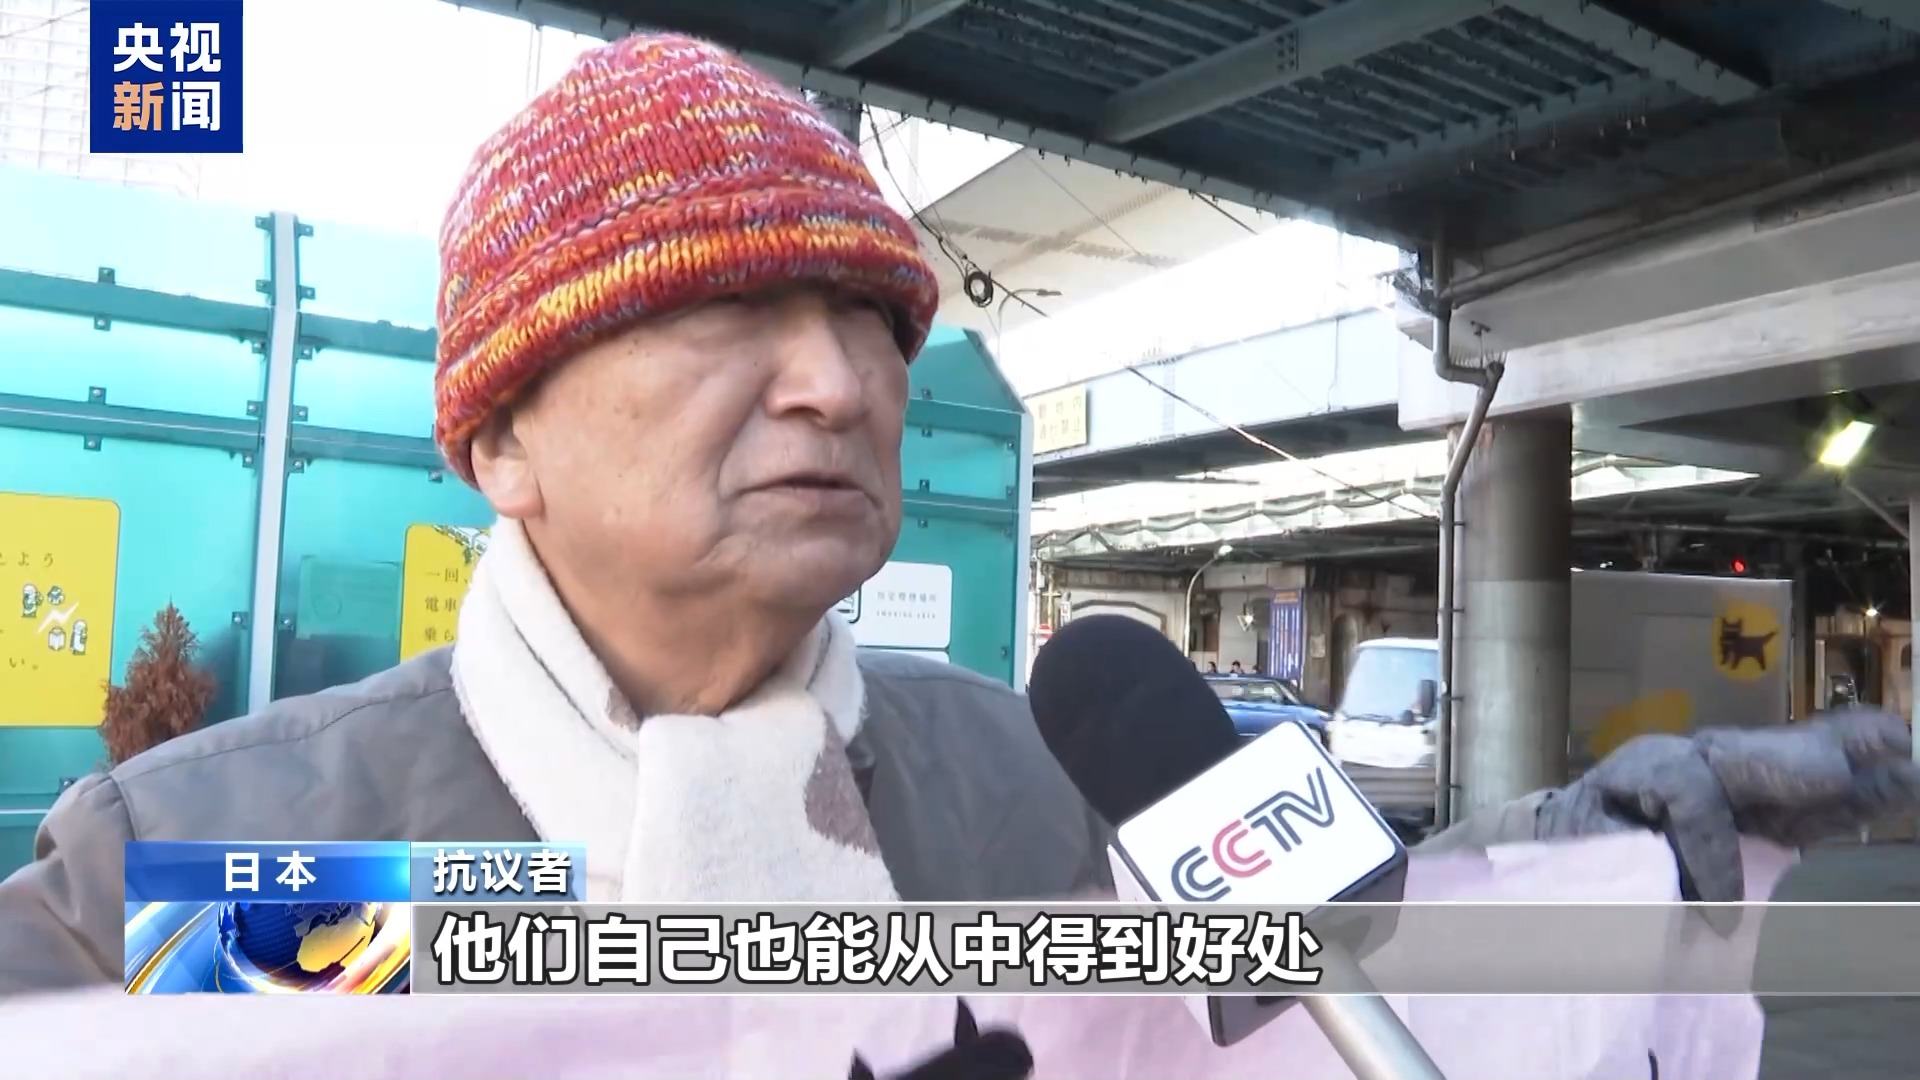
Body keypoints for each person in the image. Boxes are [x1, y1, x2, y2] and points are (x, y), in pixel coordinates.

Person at [1, 32, 1915, 999]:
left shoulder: (1050, 782)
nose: (837, 383)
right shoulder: (190, 868)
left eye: (870, 320)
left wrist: (1589, 857)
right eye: (726, 314)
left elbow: (1362, 959)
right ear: (500, 437)